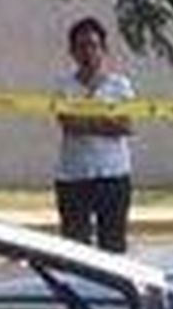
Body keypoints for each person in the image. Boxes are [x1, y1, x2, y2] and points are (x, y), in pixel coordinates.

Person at [53, 17, 135, 253]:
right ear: (72, 52)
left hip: (113, 174)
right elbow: (68, 125)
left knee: (113, 244)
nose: (87, 52)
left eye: (93, 45)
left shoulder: (120, 85)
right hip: (73, 176)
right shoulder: (64, 86)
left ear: (104, 49)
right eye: (81, 46)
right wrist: (105, 119)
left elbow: (125, 126)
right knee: (75, 247)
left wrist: (86, 119)